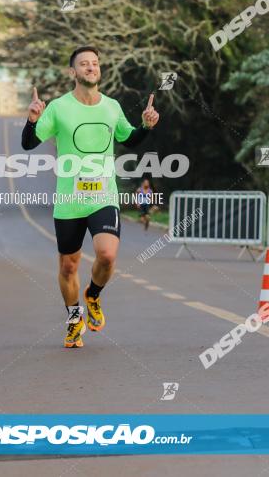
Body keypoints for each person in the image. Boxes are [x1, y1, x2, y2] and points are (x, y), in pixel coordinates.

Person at [21, 46, 160, 348]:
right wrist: (33, 119)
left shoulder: (111, 107)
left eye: (95, 64)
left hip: (104, 196)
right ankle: (74, 319)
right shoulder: (58, 108)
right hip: (69, 200)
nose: (91, 68)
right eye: (84, 64)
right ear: (73, 72)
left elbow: (130, 138)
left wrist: (146, 126)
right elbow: (29, 144)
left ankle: (93, 294)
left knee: (107, 256)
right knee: (68, 267)